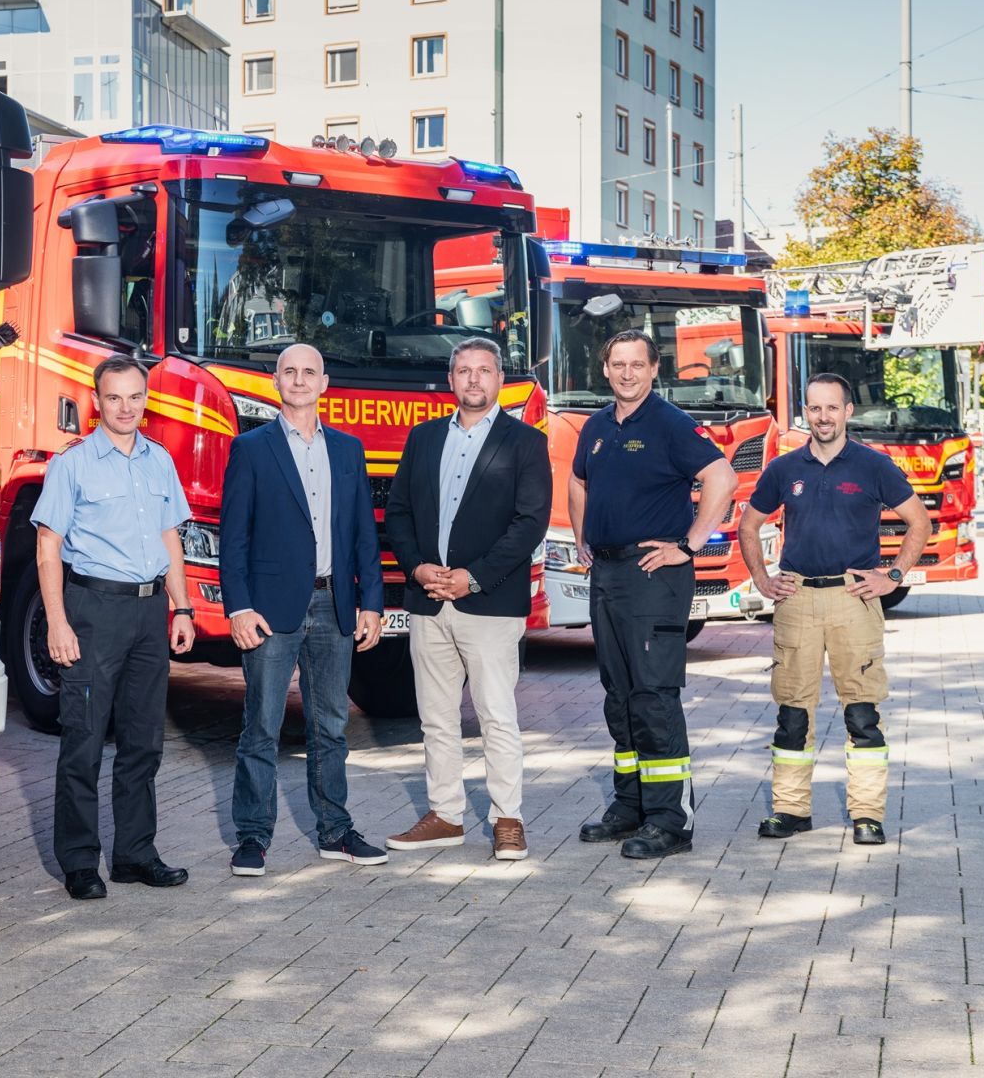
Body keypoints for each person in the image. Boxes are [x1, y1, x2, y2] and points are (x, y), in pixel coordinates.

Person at [740, 372, 931, 845]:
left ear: (848, 411)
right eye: (814, 408)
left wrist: (892, 576)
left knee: (862, 714)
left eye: (831, 407)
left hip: (853, 600)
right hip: (797, 600)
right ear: (805, 412)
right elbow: (748, 525)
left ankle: (867, 815)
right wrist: (762, 579)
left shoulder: (873, 465)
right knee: (792, 714)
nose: (822, 416)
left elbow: (919, 522)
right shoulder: (784, 468)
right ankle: (790, 811)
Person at [30, 355, 195, 900]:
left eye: (135, 396)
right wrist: (57, 622)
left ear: (146, 400)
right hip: (93, 612)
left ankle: (134, 855)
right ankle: (80, 862)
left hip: (149, 613)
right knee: (83, 740)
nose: (126, 407)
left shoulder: (159, 460)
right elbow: (48, 546)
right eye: (114, 397)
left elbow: (170, 538)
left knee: (144, 742)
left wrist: (182, 608)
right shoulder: (72, 465)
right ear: (96, 401)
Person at [220, 343, 388, 876]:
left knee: (331, 727)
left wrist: (371, 603)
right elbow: (233, 538)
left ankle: (335, 831)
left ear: (324, 382)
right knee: (261, 727)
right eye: (289, 372)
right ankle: (252, 837)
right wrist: (238, 607)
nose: (298, 380)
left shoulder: (348, 450)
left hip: (335, 604)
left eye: (308, 372)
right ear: (275, 382)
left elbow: (363, 534)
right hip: (270, 610)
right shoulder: (251, 449)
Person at [569, 329, 738, 859]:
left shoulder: (671, 424)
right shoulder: (596, 426)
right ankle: (630, 806)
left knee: (653, 695)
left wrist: (688, 545)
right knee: (618, 694)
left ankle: (670, 820)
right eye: (618, 364)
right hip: (608, 572)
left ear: (654, 369)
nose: (627, 373)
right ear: (605, 369)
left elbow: (722, 478)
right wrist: (582, 537)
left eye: (637, 364)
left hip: (652, 575)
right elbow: (577, 481)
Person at [383, 337, 551, 861]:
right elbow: (398, 512)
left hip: (490, 604)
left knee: (496, 716)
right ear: (450, 380)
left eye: (483, 370)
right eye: (464, 371)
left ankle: (508, 819)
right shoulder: (424, 437)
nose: (473, 379)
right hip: (428, 600)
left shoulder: (525, 442)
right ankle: (446, 815)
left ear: (499, 379)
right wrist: (417, 567)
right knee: (435, 718)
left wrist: (472, 578)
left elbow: (529, 524)